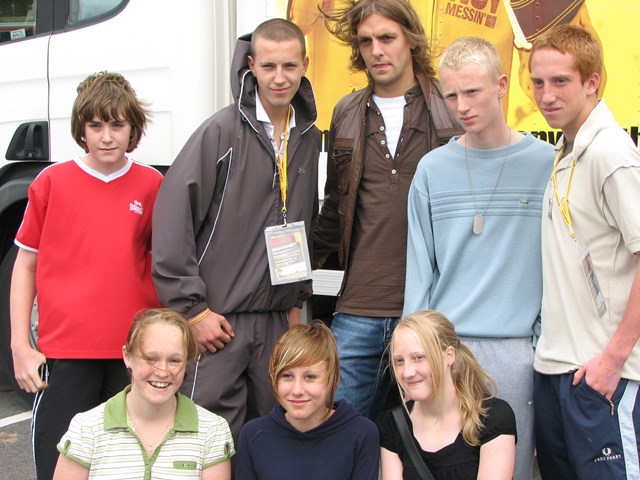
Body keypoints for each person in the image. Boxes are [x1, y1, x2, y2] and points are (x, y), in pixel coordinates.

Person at [151, 18, 320, 441]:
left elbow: (303, 220)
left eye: (289, 66)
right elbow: (173, 221)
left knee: (273, 435)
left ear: (304, 64)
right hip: (219, 322)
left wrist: (296, 304)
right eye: (268, 67)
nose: (279, 78)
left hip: (278, 319)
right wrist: (193, 310)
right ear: (251, 65)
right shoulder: (221, 132)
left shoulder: (308, 136)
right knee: (211, 440)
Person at [402, 36, 554, 480]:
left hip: (518, 351)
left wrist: (538, 343)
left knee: (516, 470)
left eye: (472, 92)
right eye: (450, 95)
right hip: (447, 351)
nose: (461, 106)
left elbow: (561, 264)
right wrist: (418, 353)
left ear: (502, 84)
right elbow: (420, 269)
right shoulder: (431, 169)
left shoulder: (547, 164)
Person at [9, 71, 162, 480]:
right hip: (65, 353)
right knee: (60, 465)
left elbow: (165, 264)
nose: (107, 136)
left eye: (117, 124)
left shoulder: (152, 184)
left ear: (133, 128)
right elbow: (26, 265)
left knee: (128, 466)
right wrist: (21, 345)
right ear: (81, 129)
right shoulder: (51, 181)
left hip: (132, 354)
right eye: (96, 125)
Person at [313, 0, 461, 422]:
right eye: (365, 41)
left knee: (428, 442)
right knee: (337, 430)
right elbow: (332, 211)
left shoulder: (450, 105)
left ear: (410, 40)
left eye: (387, 38)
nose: (376, 50)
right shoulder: (345, 111)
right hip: (359, 306)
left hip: (431, 307)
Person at [529, 24, 640, 480]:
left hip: (602, 375)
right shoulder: (570, 148)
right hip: (557, 367)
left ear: (592, 81)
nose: (546, 95)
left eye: (561, 81)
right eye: (537, 82)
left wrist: (612, 360)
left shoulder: (611, 153)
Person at [53, 308, 234, 479]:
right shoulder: (86, 428)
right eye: (151, 359)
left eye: (174, 360)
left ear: (187, 362)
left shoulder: (212, 431)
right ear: (127, 356)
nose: (162, 371)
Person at [378, 310, 516, 479]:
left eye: (419, 357)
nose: (407, 372)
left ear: (449, 355)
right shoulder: (393, 425)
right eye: (399, 361)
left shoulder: (492, 417)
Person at [235, 321, 379, 480]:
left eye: (310, 377)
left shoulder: (361, 433)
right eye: (287, 376)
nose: (297, 390)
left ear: (332, 379)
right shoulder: (253, 434)